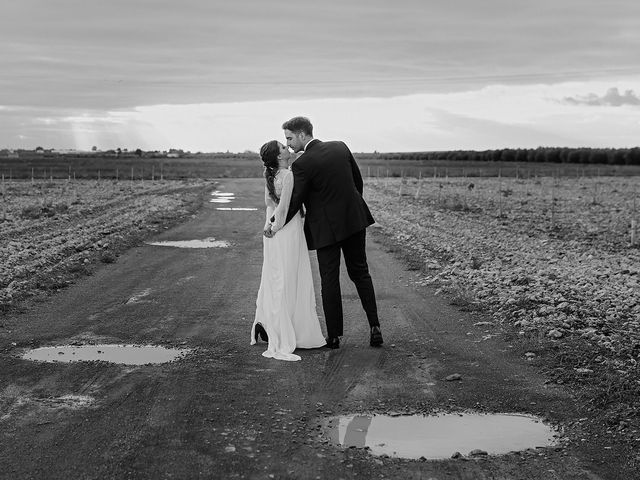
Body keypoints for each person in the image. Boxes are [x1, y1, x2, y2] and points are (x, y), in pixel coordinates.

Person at [264, 116, 383, 349]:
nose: (288, 144)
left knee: (330, 280)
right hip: (354, 220)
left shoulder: (302, 164)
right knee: (360, 273)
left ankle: (335, 336)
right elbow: (357, 183)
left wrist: (275, 224)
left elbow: (295, 201)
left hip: (326, 229)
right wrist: (350, 208)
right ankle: (375, 327)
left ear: (301, 134)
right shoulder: (341, 146)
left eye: (289, 138)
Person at [251, 140, 326, 361]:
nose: (288, 148)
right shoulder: (288, 175)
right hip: (286, 228)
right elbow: (284, 209)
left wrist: (268, 225)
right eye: (283, 148)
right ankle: (287, 328)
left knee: (274, 275)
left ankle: (268, 322)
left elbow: (269, 202)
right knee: (290, 274)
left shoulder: (270, 176)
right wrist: (276, 227)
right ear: (278, 157)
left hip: (271, 226)